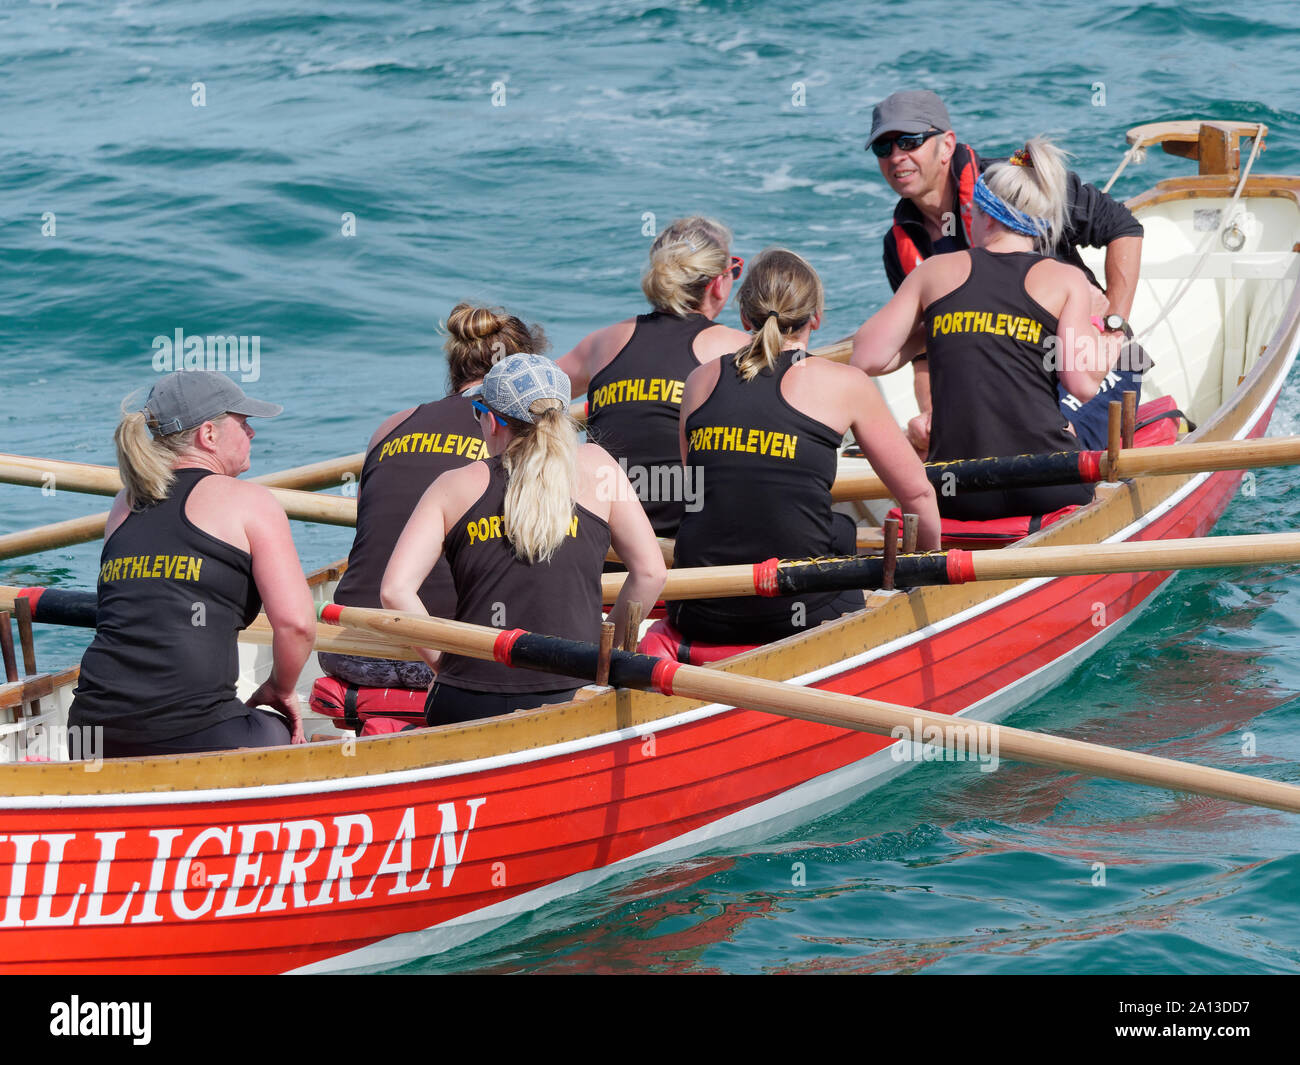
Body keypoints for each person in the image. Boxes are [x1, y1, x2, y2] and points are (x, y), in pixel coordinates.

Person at [670, 248, 940, 646]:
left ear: (745, 318)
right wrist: (931, 573)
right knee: (841, 535)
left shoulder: (699, 380)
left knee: (836, 531)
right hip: (799, 611)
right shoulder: (847, 383)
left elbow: (702, 491)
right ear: (816, 317)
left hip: (699, 610)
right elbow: (917, 493)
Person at [381, 353, 666, 726]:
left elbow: (394, 591)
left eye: (477, 413)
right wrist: (597, 650)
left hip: (467, 703)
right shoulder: (599, 466)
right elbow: (651, 574)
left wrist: (447, 661)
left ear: (493, 420)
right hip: (574, 695)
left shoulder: (452, 486)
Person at [865, 90, 1147, 451]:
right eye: (883, 149)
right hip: (1009, 378)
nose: (896, 157)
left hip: (1087, 361)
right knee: (931, 435)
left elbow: (1123, 227)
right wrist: (935, 417)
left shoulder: (1015, 181)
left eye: (910, 142)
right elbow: (926, 354)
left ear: (947, 144)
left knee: (1050, 440)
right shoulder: (899, 245)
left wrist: (1114, 328)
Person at [851, 138, 1114, 522]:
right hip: (1046, 484)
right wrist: (1110, 334)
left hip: (958, 491)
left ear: (984, 216)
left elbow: (867, 357)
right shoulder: (1065, 279)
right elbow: (1082, 384)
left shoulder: (934, 272)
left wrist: (945, 329)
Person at [69, 370, 316, 757]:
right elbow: (297, 625)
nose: (251, 433)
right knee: (278, 727)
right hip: (195, 733)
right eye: (243, 422)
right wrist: (280, 689)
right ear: (209, 434)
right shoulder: (250, 501)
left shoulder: (125, 502)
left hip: (88, 735)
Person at [321, 303, 547, 690]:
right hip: (445, 655)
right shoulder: (516, 431)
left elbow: (371, 525)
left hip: (347, 649)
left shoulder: (391, 427)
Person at [558, 216, 751, 538]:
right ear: (718, 283)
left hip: (602, 531)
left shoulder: (603, 342)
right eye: (734, 269)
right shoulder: (736, 346)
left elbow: (523, 391)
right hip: (689, 535)